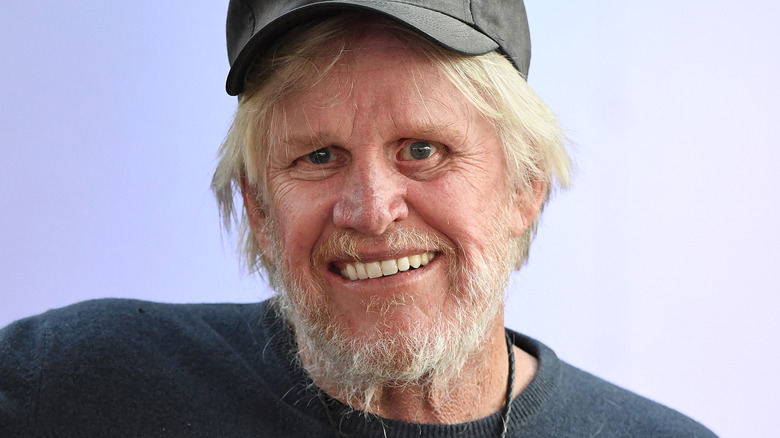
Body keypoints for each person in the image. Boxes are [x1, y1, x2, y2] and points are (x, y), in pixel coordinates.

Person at [0, 1, 716, 437]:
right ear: (256, 206)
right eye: (317, 156)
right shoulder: (75, 386)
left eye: (423, 150)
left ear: (525, 186)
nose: (371, 211)